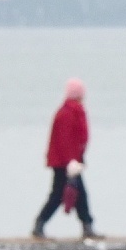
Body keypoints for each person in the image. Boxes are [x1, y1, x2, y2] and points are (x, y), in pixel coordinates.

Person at [32, 78, 97, 239]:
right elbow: (65, 140)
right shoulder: (67, 113)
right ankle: (40, 224)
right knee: (60, 195)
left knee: (79, 194)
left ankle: (87, 226)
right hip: (65, 163)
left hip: (70, 162)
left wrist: (79, 158)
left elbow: (78, 139)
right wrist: (71, 162)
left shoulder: (74, 111)